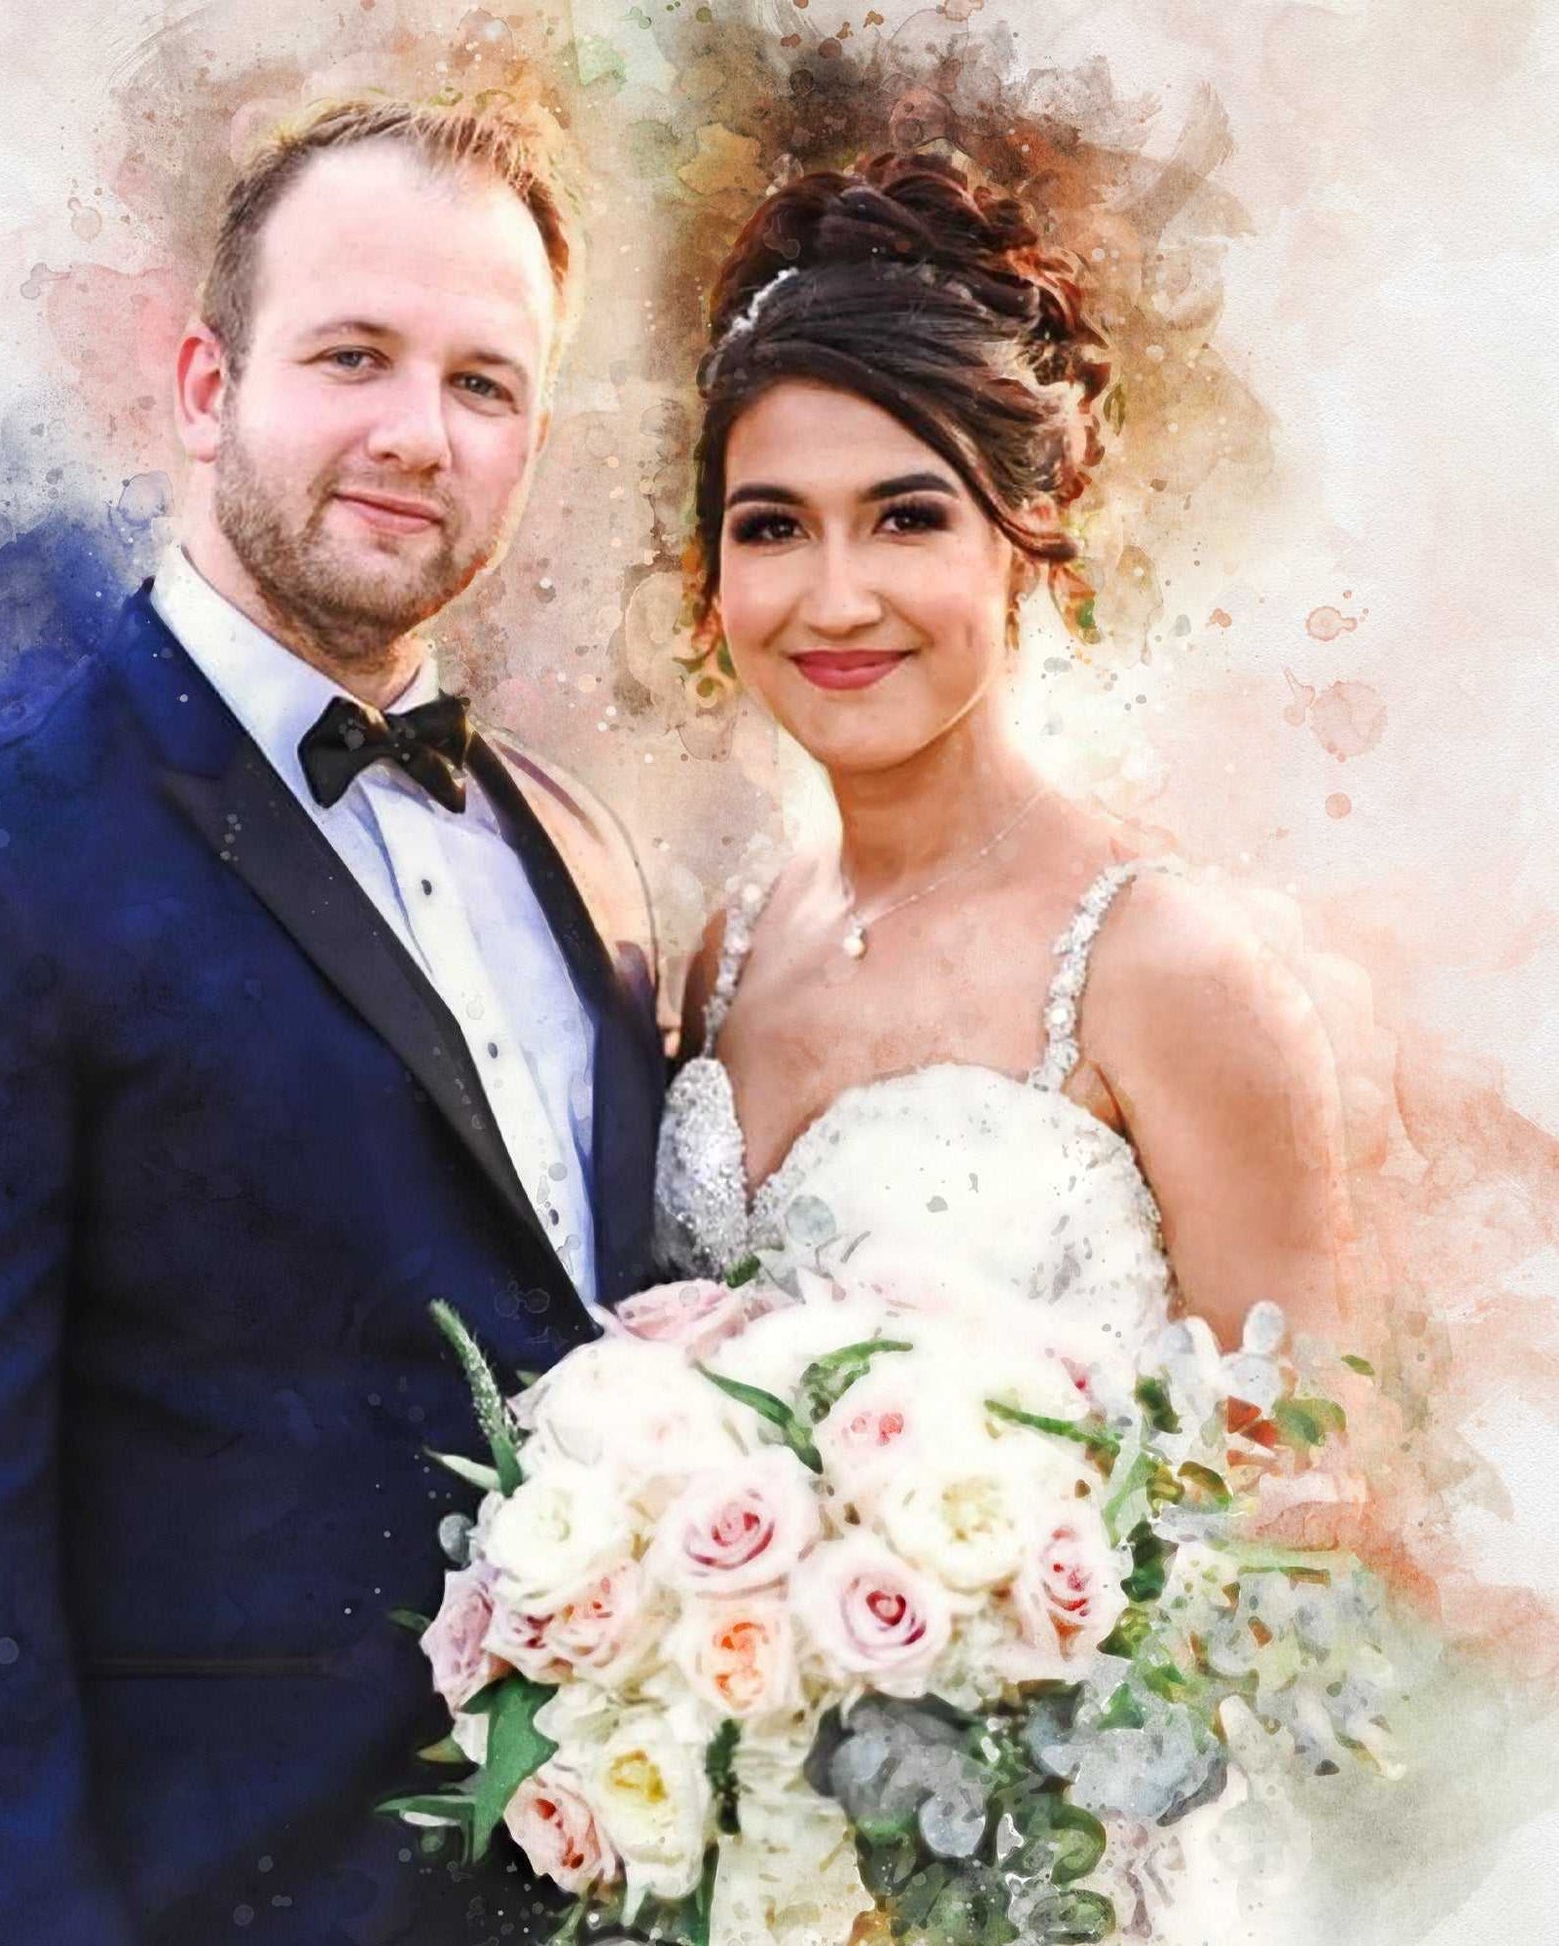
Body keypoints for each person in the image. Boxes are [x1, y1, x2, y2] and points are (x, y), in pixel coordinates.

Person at [0, 98, 664, 1945]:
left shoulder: (583, 856)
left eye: (484, 385)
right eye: (353, 357)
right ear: (201, 382)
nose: (418, 435)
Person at [650, 148, 1359, 1941]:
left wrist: (1002, 1715)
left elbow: (1305, 1508)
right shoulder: (728, 948)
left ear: (1025, 537)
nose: (833, 597)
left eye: (907, 516)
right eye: (769, 523)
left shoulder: (1164, 963)